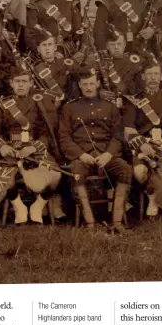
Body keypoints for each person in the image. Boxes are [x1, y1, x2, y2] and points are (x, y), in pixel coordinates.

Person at [0, 62, 62, 225]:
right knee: (5, 178)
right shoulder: (2, 105)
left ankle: (38, 206)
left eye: (25, 81)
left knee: (56, 175)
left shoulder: (40, 103)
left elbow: (47, 133)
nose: (21, 85)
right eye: (17, 81)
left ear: (31, 83)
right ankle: (18, 206)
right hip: (11, 149)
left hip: (34, 149)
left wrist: (34, 147)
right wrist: (2, 146)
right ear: (11, 83)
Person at [58, 67, 131, 232]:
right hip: (83, 156)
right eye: (85, 84)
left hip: (107, 156)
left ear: (98, 83)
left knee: (125, 169)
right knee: (76, 170)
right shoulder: (69, 108)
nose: (89, 87)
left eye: (92, 83)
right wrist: (81, 155)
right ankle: (89, 222)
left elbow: (118, 135)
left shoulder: (110, 107)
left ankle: (117, 222)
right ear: (79, 85)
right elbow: (64, 138)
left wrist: (109, 154)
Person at [122, 56, 162, 218]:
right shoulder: (134, 100)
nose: (152, 78)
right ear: (143, 77)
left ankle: (153, 200)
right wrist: (141, 144)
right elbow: (128, 128)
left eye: (155, 74)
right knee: (140, 172)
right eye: (149, 74)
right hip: (143, 144)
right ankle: (153, 195)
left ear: (161, 76)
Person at [27, 28, 73, 106]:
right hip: (48, 106)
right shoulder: (35, 69)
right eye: (44, 45)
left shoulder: (64, 63)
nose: (47, 48)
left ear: (55, 47)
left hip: (67, 102)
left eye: (50, 44)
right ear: (38, 49)